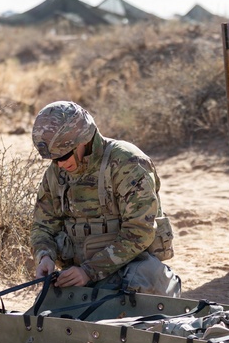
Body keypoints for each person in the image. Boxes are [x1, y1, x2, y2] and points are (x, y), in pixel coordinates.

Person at [30, 101, 180, 296]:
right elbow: (43, 226)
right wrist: (44, 256)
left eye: (64, 156)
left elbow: (140, 230)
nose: (58, 164)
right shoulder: (56, 174)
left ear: (83, 140)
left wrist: (89, 271)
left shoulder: (127, 162)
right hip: (79, 275)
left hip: (131, 270)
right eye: (53, 159)